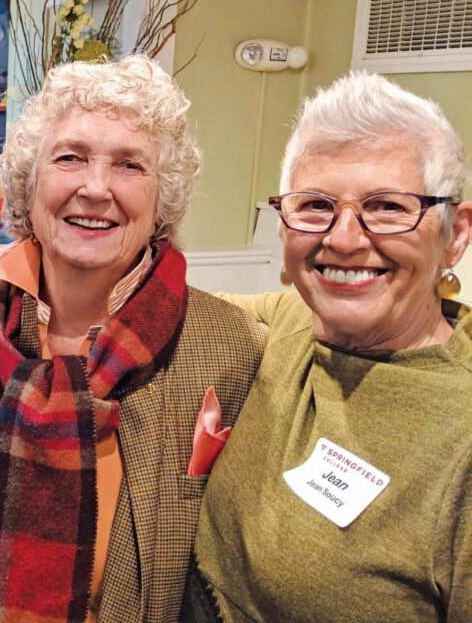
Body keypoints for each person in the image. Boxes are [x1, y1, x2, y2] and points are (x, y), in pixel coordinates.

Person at [0, 54, 266, 623]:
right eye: (70, 158)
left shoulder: (231, 345)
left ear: (163, 197)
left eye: (130, 165)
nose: (95, 187)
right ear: (28, 183)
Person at [188, 73, 472, 621]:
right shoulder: (290, 322)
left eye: (388, 206)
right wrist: (14, 269)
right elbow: (143, 305)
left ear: (454, 235)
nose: (343, 238)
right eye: (316, 205)